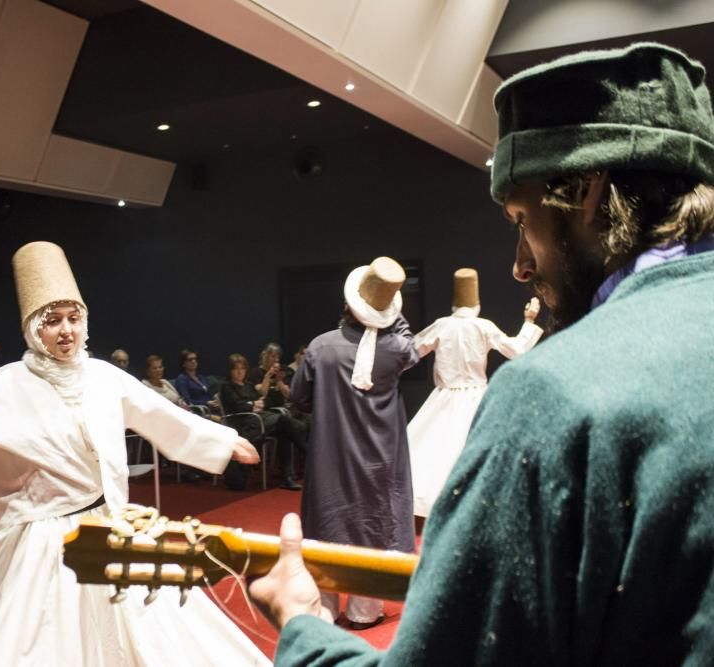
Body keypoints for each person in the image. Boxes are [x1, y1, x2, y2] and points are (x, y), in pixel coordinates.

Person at [250, 43, 714, 665]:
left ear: (587, 191)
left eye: (523, 220)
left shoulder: (558, 396)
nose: (521, 266)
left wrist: (302, 625)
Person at [0, 241, 267, 666]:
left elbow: (160, 416)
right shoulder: (4, 386)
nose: (66, 330)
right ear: (34, 329)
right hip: (41, 540)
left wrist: (223, 440)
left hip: (111, 525)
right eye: (53, 321)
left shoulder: (104, 376)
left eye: (73, 319)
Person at [289, 256, 418, 629]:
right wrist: (390, 315)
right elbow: (409, 342)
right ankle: (364, 610)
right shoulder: (395, 348)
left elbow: (298, 398)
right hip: (380, 457)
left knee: (329, 524)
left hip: (331, 453)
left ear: (348, 304)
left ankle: (325, 607)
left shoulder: (320, 347)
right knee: (373, 526)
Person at [408, 268, 542, 518]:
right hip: (476, 397)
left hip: (445, 398)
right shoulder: (483, 327)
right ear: (477, 301)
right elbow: (518, 349)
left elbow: (410, 351)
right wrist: (529, 321)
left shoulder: (442, 326)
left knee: (438, 450)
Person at [221, 353, 306, 490]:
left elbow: (262, 402)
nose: (240, 372)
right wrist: (252, 404)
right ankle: (307, 452)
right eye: (236, 369)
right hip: (243, 425)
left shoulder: (248, 385)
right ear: (230, 371)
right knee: (285, 421)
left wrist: (252, 403)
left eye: (242, 369)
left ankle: (288, 477)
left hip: (258, 420)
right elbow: (238, 406)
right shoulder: (226, 387)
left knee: (284, 430)